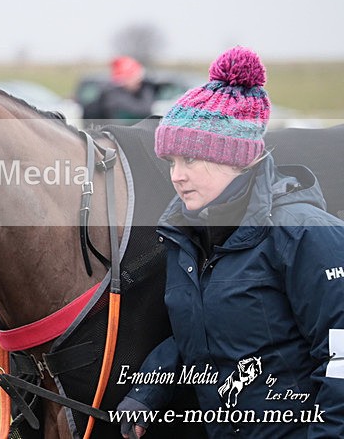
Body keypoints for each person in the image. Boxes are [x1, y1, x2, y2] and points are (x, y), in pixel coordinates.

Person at [117, 46, 344, 438]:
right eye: (171, 162)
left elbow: (339, 354)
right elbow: (197, 333)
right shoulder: (187, 236)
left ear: (234, 159)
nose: (176, 176)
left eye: (190, 160)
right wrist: (147, 394)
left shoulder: (304, 233)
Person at [85, 56, 155, 125]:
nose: (139, 83)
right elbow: (144, 111)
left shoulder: (114, 94)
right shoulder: (114, 96)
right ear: (126, 79)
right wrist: (147, 91)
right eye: (137, 78)